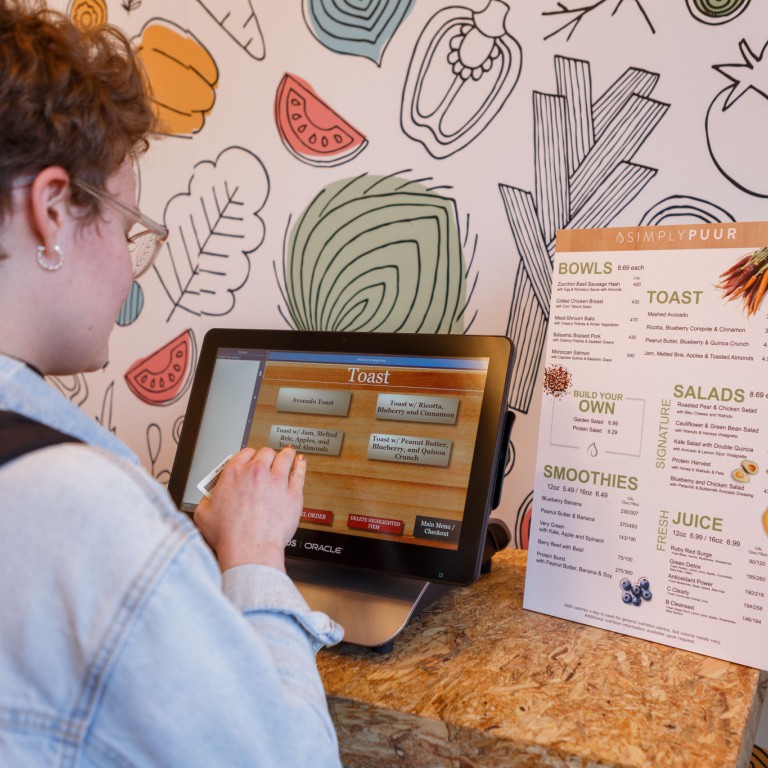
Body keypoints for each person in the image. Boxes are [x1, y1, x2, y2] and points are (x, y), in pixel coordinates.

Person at [0, 2, 344, 766]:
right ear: (52, 208)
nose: (129, 266)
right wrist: (254, 555)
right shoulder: (81, 511)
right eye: (127, 229)